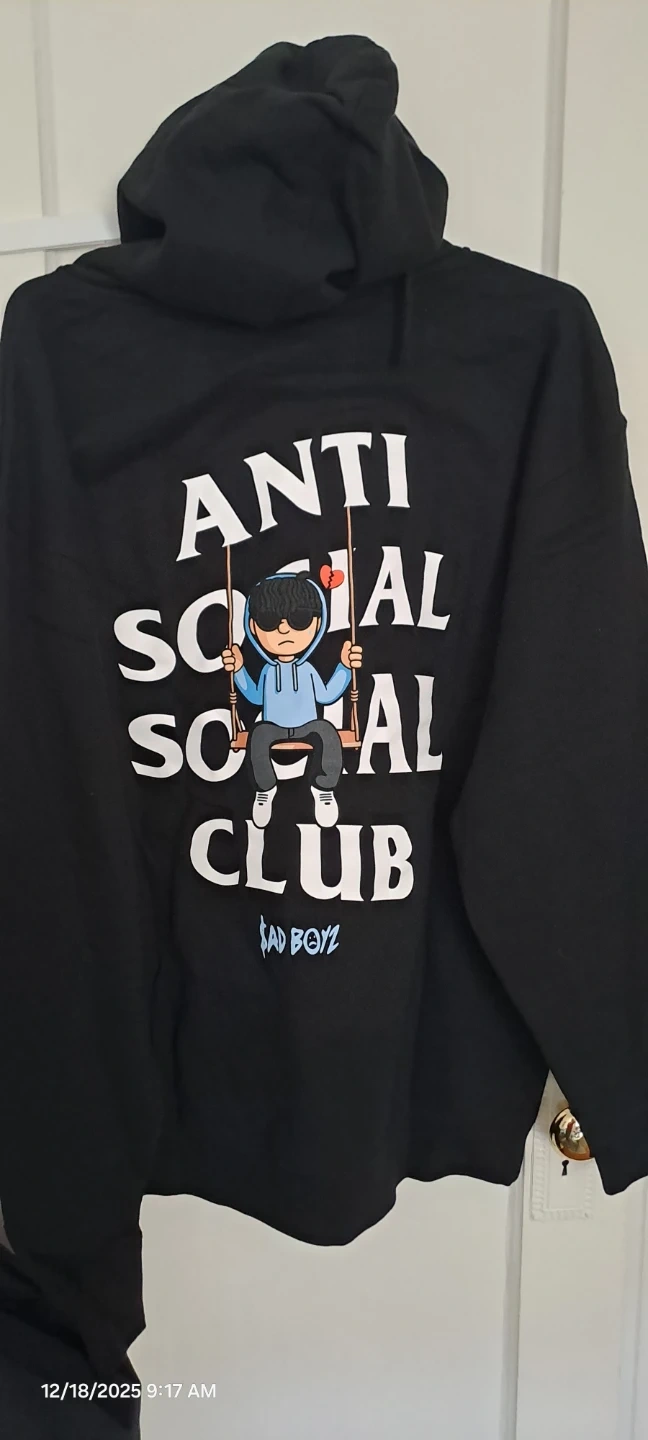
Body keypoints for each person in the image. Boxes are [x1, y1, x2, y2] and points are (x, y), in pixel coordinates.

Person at [222, 572, 362, 828]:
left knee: (327, 732)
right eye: (269, 621)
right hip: (273, 726)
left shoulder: (307, 670)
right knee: (258, 735)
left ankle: (324, 790)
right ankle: (264, 790)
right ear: (253, 627)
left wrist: (344, 667)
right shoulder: (268, 671)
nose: (284, 629)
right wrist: (239, 669)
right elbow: (254, 696)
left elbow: (327, 695)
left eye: (300, 619)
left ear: (317, 624)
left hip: (308, 725)